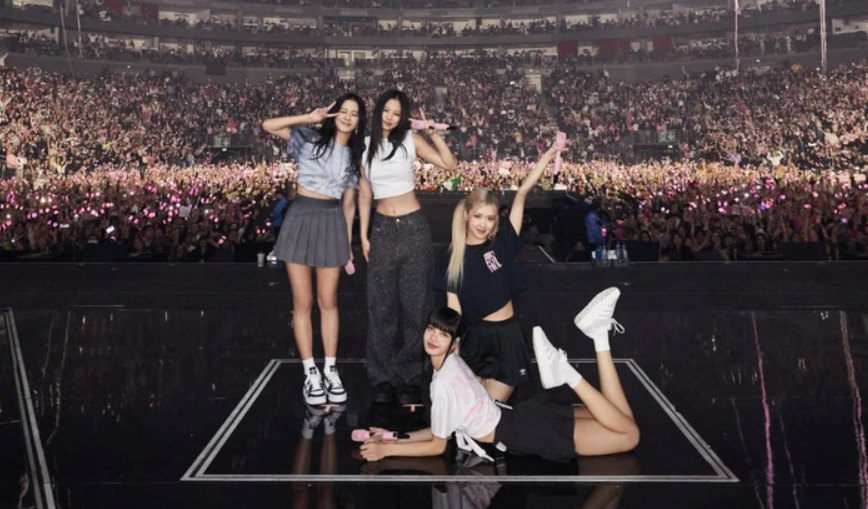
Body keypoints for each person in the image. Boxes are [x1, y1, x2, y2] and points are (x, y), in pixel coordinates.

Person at [358, 289, 639, 463]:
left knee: (629, 436)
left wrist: (387, 451)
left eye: (443, 334)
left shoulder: (443, 384)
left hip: (524, 432)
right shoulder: (454, 364)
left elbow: (437, 444)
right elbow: (441, 431)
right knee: (623, 420)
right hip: (522, 417)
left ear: (455, 344)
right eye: (431, 329)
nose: (433, 337)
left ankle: (566, 373)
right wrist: (394, 437)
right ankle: (599, 333)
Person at [262, 93, 366, 406]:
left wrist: (347, 243)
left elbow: (349, 203)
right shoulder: (309, 137)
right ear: (333, 113)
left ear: (359, 121)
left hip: (332, 221)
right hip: (301, 217)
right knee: (303, 303)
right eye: (343, 111)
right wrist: (308, 117)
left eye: (354, 114)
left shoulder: (355, 155)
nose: (348, 117)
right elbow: (268, 125)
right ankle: (311, 373)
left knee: (328, 302)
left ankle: (330, 369)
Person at [436, 143, 561, 403]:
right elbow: (453, 307)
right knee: (471, 408)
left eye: (490, 218)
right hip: (475, 338)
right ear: (467, 215)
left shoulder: (500, 245)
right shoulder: (452, 256)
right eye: (478, 216)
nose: (484, 224)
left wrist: (548, 156)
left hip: (507, 337)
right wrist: (452, 342)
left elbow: (522, 193)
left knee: (492, 409)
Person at [359, 89, 458, 405]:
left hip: (414, 228)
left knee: (417, 307)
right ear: (378, 111)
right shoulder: (364, 145)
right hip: (382, 229)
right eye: (386, 111)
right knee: (381, 308)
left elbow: (449, 165)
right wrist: (363, 235)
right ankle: (382, 378)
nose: (390, 117)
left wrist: (433, 134)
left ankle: (410, 375)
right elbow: (364, 192)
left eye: (397, 113)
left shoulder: (410, 140)